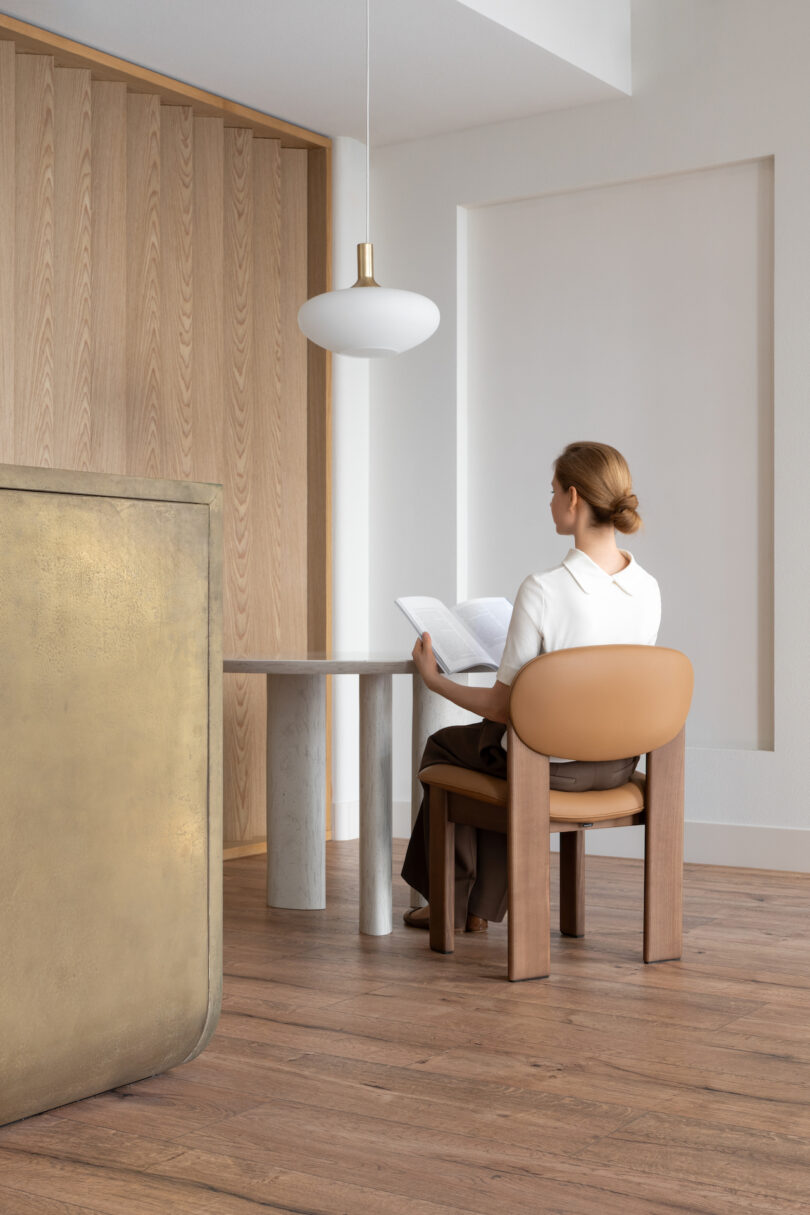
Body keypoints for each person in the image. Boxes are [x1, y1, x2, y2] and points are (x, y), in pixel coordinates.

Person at [401, 440, 661, 932]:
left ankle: (451, 905)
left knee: (450, 746)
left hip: (553, 770)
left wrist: (435, 681)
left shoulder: (544, 588)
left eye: (552, 491)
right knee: (495, 750)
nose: (549, 502)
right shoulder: (648, 589)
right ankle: (481, 907)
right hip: (619, 765)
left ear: (574, 497)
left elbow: (502, 706)